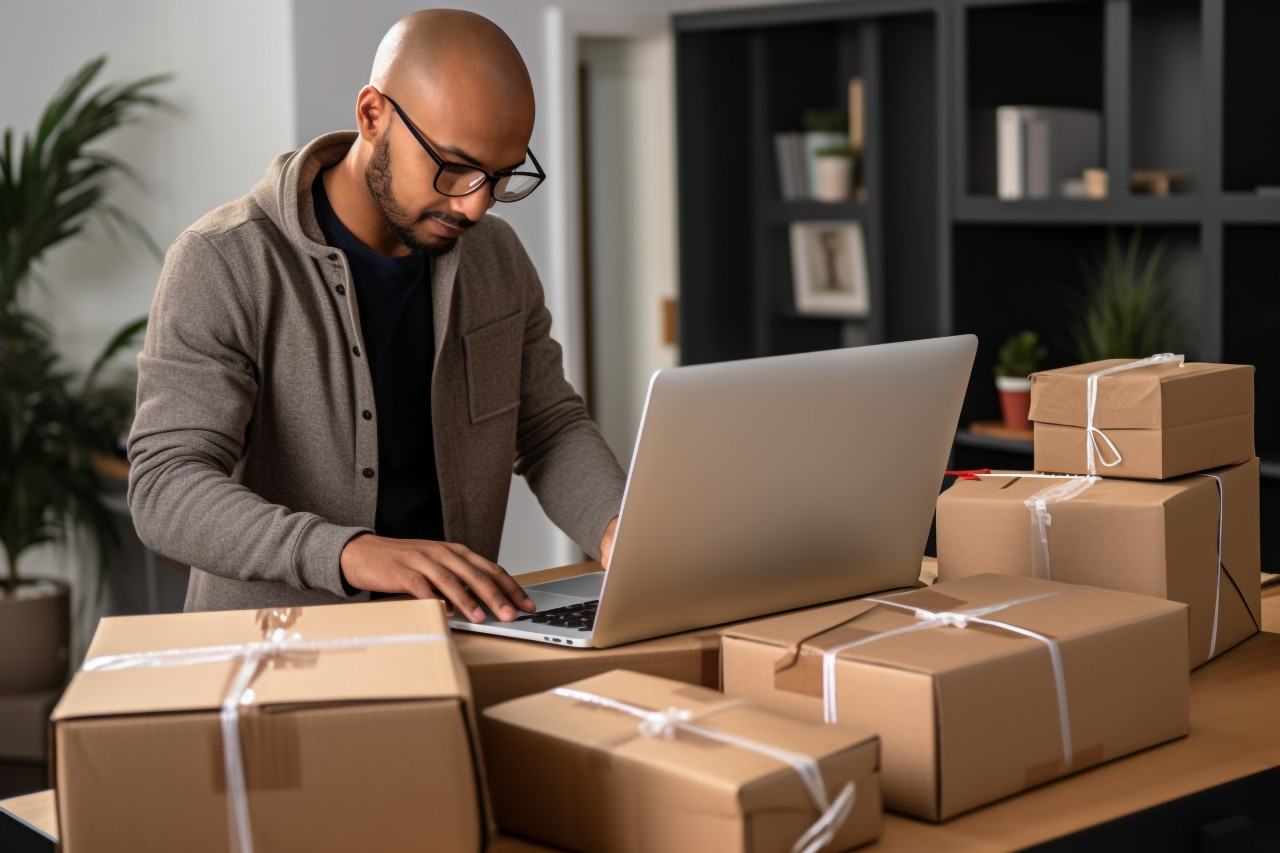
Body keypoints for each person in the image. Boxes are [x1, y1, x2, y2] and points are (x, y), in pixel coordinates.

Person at [127, 9, 626, 620]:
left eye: (499, 177)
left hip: (452, 637)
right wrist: (351, 552)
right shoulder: (223, 262)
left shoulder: (496, 259)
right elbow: (165, 487)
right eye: (453, 165)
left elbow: (548, 427)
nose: (474, 206)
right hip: (273, 657)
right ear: (372, 114)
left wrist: (615, 524)